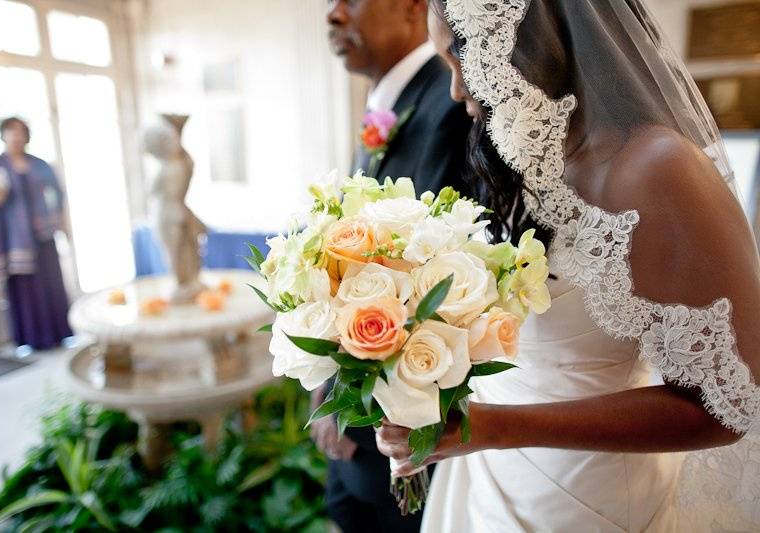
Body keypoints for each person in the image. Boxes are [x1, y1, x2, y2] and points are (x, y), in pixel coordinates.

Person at [375, 1, 760, 531]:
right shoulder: (525, 166)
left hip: (590, 501)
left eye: (459, 55)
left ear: (520, 36)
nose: (456, 90)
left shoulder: (657, 169)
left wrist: (491, 428)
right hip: (489, 485)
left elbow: (726, 405)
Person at [314, 0, 473, 531]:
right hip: (354, 418)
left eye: (349, 0)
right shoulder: (387, 103)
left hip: (400, 432)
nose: (333, 15)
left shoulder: (454, 105)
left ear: (412, 7)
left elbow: (438, 287)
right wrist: (326, 384)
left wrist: (362, 421)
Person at [0, 117, 72, 352]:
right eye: (11, 132)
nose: (16, 137)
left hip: (43, 234)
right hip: (13, 239)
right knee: (24, 288)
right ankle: (29, 339)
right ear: (3, 135)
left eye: (20, 132)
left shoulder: (39, 164)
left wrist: (61, 223)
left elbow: (57, 195)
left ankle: (59, 334)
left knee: (50, 284)